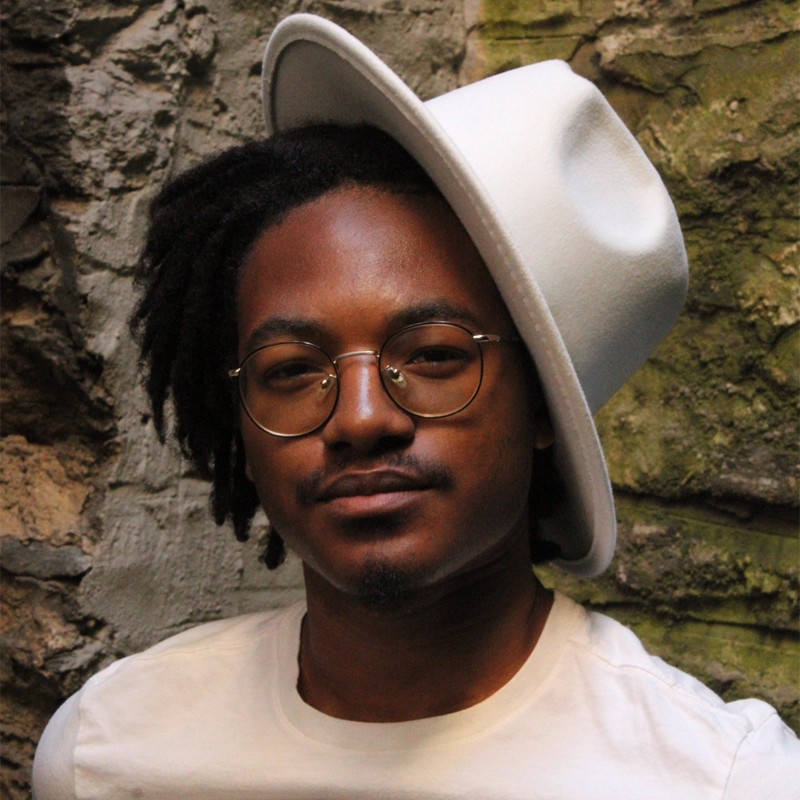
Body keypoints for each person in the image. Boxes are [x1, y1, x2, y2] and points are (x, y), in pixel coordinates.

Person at [32, 14, 798, 799]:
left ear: (540, 404)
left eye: (433, 356)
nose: (361, 418)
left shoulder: (716, 780)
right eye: (294, 369)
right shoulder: (110, 753)